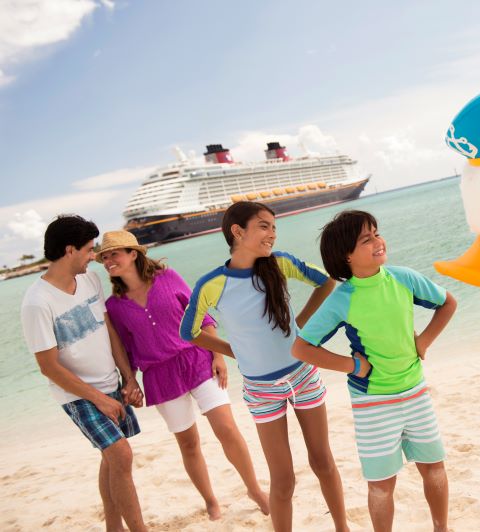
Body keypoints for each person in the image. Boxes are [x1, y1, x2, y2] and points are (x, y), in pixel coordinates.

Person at [179, 201, 349, 532]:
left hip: (303, 374)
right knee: (283, 479)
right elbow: (189, 332)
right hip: (261, 390)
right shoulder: (212, 284)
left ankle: (343, 528)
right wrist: (234, 351)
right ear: (237, 232)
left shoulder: (280, 263)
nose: (272, 233)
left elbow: (326, 283)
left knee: (323, 461)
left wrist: (299, 326)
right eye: (264, 226)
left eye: (274, 227)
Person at [292, 210, 457, 532]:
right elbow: (301, 348)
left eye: (376, 234)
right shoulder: (342, 299)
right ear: (346, 256)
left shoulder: (403, 278)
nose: (378, 242)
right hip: (374, 403)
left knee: (434, 468)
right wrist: (351, 365)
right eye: (366, 240)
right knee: (381, 484)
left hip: (415, 390)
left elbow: (448, 303)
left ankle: (442, 528)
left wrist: (424, 341)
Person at [97, 230, 270, 520]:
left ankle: (254, 490)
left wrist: (218, 355)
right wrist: (130, 381)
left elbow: (200, 314)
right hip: (159, 377)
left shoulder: (167, 277)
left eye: (114, 254)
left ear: (133, 254)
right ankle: (211, 500)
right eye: (103, 257)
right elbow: (125, 349)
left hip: (197, 359)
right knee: (188, 443)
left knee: (226, 429)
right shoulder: (114, 306)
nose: (108, 260)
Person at [20, 215, 147, 532]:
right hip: (78, 395)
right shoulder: (37, 303)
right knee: (121, 455)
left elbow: (109, 331)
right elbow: (48, 366)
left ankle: (113, 528)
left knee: (112, 460)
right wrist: (98, 399)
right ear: (69, 250)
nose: (95, 257)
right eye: (90, 250)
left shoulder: (90, 280)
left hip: (110, 383)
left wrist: (128, 377)